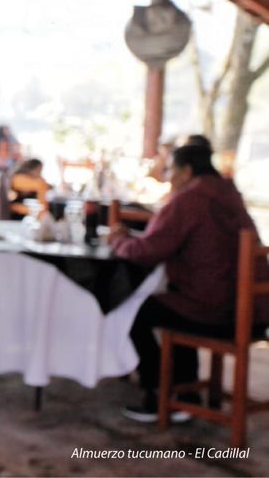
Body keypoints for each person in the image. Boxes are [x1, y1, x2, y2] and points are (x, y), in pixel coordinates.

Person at [109, 144, 269, 423]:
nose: (168, 176)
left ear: (186, 171)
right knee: (179, 301)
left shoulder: (189, 200)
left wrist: (117, 240)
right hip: (253, 313)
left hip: (217, 314)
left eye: (171, 169)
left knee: (134, 309)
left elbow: (148, 252)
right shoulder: (230, 195)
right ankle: (186, 394)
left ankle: (158, 393)